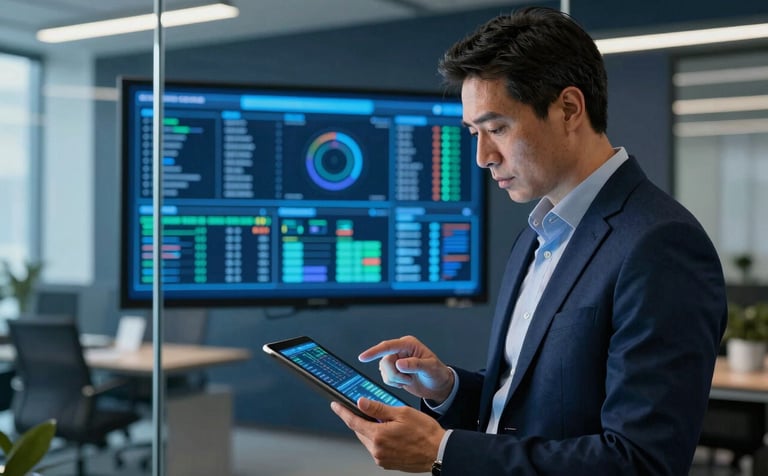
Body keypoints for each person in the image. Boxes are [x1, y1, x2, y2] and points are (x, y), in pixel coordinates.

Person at [331, 6, 727, 476]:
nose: (482, 156)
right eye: (474, 133)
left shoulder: (660, 244)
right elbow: (528, 413)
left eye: (497, 128)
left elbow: (642, 462)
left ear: (568, 109)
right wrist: (449, 388)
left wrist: (443, 451)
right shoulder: (538, 235)